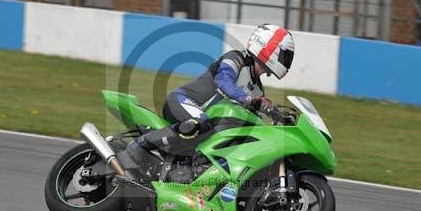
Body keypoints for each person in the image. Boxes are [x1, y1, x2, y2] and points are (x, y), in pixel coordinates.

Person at [126, 24, 295, 174]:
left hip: (209, 123)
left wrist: (277, 116)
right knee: (201, 122)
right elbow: (223, 81)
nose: (287, 61)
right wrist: (248, 99)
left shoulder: (258, 89)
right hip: (182, 101)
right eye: (285, 55)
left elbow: (253, 120)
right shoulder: (237, 58)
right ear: (269, 47)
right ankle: (142, 144)